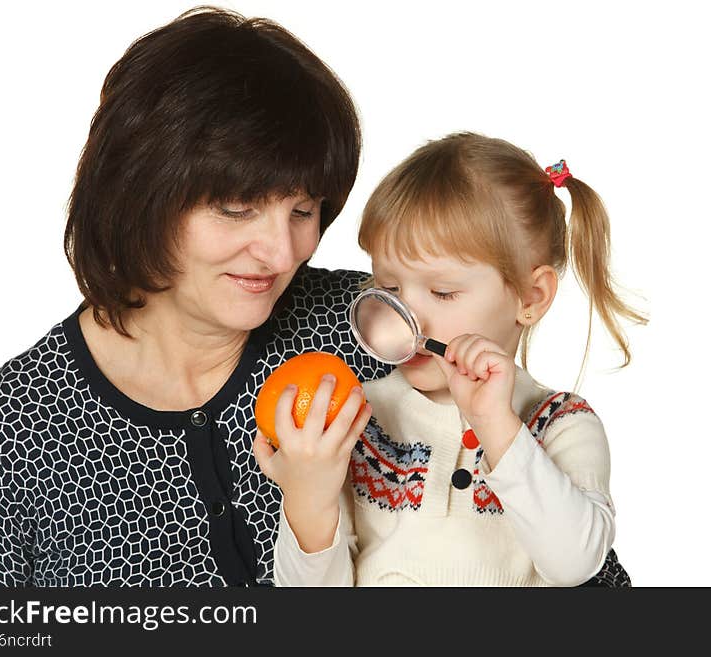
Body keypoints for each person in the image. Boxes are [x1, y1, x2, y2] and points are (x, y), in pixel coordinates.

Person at [0, 7, 390, 587]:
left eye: (302, 212)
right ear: (141, 195)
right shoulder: (2, 434)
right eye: (236, 209)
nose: (282, 254)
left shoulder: (367, 325)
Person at [255, 132, 646, 586]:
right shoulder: (360, 418)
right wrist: (310, 501)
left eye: (442, 292)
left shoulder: (560, 423)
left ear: (532, 297)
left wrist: (496, 423)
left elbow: (575, 563)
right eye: (390, 289)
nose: (408, 317)